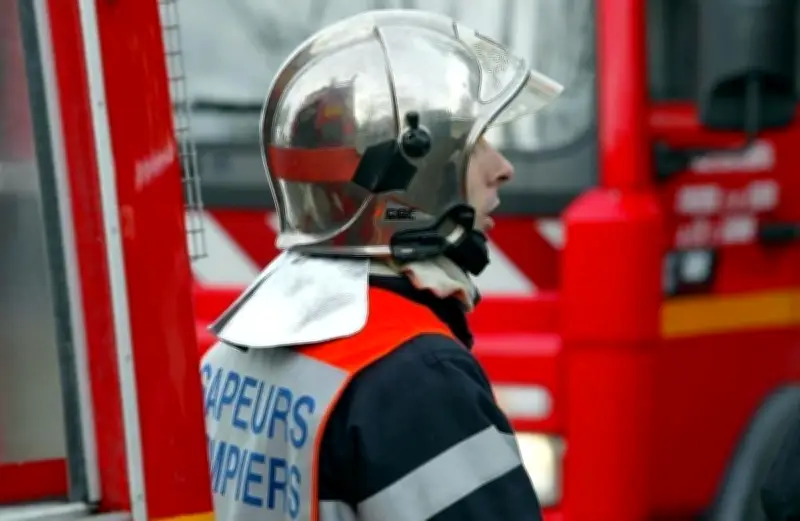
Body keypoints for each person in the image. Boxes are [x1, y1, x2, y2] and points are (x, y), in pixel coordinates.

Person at [200, 9, 564, 521]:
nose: (502, 169)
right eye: (474, 143)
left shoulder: (226, 357)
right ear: (414, 172)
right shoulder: (418, 382)